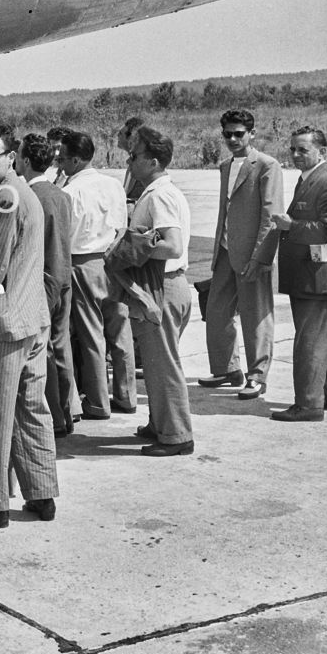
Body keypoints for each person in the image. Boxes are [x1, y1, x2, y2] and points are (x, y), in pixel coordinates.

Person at [0, 122, 58, 529]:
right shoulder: (26, 193)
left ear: (10, 156)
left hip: (3, 325)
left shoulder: (4, 197)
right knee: (32, 410)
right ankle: (41, 493)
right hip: (33, 319)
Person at [199, 109, 283, 400]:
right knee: (216, 311)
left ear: (252, 134)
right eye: (228, 134)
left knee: (255, 315)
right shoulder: (225, 165)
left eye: (239, 134)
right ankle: (227, 369)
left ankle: (257, 375)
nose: (233, 139)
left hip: (251, 255)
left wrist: (260, 258)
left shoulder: (266, 166)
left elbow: (270, 216)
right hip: (224, 252)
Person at [255, 127, 327, 422]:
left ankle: (308, 404)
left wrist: (291, 227)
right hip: (308, 274)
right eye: (292, 149)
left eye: (303, 149)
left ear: (321, 151)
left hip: (317, 277)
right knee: (323, 338)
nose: (295, 155)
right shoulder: (309, 179)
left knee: (310, 341)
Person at [59, 131, 137, 419]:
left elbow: (67, 235)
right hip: (115, 260)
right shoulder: (113, 184)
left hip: (84, 262)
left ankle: (98, 401)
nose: (60, 163)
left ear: (77, 159)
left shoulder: (70, 191)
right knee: (119, 329)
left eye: (64, 158)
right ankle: (127, 394)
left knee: (92, 334)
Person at [126, 127, 195, 455]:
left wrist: (130, 250)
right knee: (155, 363)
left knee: (164, 365)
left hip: (163, 287)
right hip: (162, 286)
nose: (129, 161)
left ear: (153, 161)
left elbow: (172, 245)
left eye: (135, 156)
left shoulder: (160, 195)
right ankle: (160, 423)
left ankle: (177, 435)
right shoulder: (156, 191)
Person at [16, 134, 79, 435]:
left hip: (43, 281)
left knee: (43, 354)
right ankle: (68, 410)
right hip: (64, 276)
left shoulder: (30, 198)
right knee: (61, 345)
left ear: (26, 161)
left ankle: (53, 416)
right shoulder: (61, 195)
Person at [118, 116, 146, 208]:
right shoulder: (132, 162)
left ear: (130, 138)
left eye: (120, 134)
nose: (117, 136)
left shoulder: (142, 166)